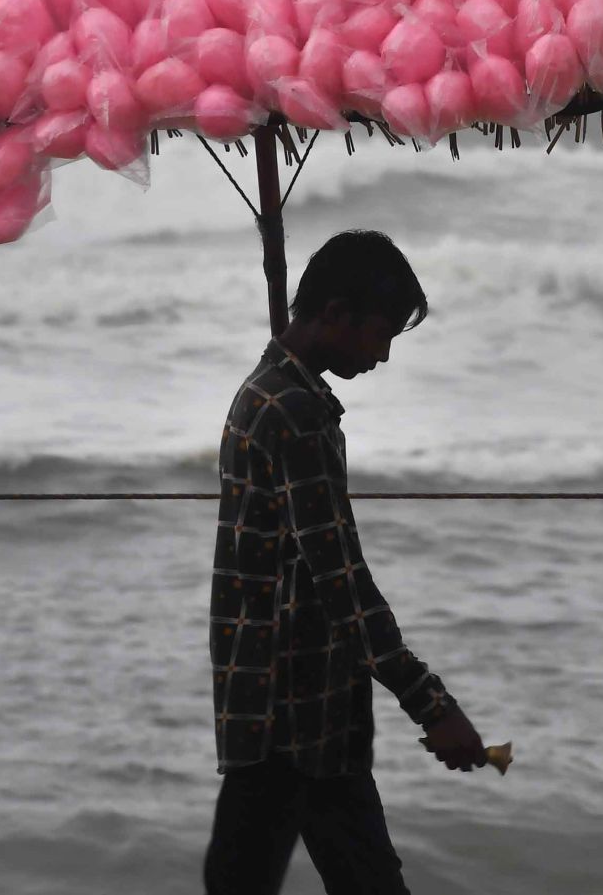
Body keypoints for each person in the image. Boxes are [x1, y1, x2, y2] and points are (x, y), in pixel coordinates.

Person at [204, 229, 488, 895]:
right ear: (335, 314)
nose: (384, 354)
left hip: (294, 705)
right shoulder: (296, 412)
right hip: (294, 712)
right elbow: (342, 581)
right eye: (380, 334)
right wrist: (430, 702)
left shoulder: (267, 388)